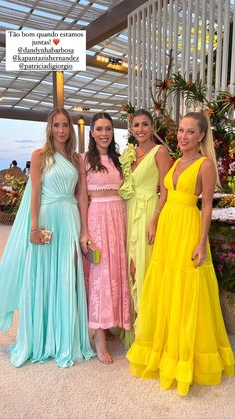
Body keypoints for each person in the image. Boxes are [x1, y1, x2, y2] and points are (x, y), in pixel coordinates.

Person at [127, 111, 234, 396]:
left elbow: (207, 206)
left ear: (201, 135)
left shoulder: (205, 164)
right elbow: (165, 194)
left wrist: (201, 243)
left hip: (187, 228)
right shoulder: (175, 161)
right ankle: (163, 349)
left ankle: (186, 355)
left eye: (189, 131)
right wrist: (154, 220)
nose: (183, 136)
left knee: (186, 288)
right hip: (167, 228)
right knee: (165, 286)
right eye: (181, 130)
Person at [0, 108, 95, 367]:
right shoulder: (39, 156)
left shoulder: (77, 160)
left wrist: (84, 230)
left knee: (67, 274)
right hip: (46, 218)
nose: (61, 130)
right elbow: (35, 194)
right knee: (41, 274)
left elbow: (82, 196)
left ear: (71, 129)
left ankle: (65, 338)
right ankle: (40, 338)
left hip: (70, 218)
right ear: (50, 128)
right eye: (56, 125)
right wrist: (33, 226)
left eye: (65, 125)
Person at [118, 109, 172, 348]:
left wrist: (155, 220)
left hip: (149, 209)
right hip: (129, 210)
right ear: (131, 129)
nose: (140, 129)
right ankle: (134, 325)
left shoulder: (160, 152)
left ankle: (148, 332)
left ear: (153, 127)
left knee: (142, 267)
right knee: (129, 267)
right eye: (136, 125)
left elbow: (167, 189)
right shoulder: (130, 152)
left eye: (145, 125)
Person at [82, 112, 131, 365]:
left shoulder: (118, 159)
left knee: (116, 272)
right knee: (99, 275)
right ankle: (98, 334)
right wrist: (85, 232)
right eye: (99, 129)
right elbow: (81, 198)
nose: (104, 133)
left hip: (119, 219)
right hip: (97, 218)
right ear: (92, 132)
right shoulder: (84, 160)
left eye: (108, 129)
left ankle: (111, 323)